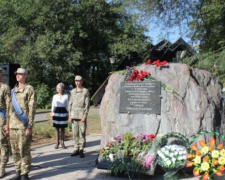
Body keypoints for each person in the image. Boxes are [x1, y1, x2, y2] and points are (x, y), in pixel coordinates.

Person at [8, 68, 37, 180]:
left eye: (20, 74)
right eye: (16, 74)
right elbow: (9, 110)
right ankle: (17, 171)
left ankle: (25, 173)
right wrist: (7, 125)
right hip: (12, 126)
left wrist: (29, 126)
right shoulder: (13, 91)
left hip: (23, 126)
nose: (17, 75)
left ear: (25, 75)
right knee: (15, 151)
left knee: (24, 150)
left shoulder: (29, 89)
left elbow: (32, 109)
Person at [69, 75, 90, 158]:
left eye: (79, 81)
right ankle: (76, 148)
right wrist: (70, 114)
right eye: (76, 81)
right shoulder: (72, 91)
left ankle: (81, 149)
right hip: (74, 116)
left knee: (82, 133)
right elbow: (70, 103)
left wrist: (84, 115)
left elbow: (87, 105)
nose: (77, 82)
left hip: (81, 116)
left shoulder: (85, 91)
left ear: (82, 81)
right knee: (75, 133)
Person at [50, 83, 69, 149]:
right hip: (56, 112)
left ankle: (62, 142)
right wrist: (52, 112)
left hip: (63, 112)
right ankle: (57, 142)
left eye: (60, 88)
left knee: (62, 128)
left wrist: (68, 113)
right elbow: (53, 104)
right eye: (58, 88)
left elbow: (67, 105)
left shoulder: (66, 96)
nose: (59, 89)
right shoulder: (55, 96)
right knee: (56, 128)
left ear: (62, 89)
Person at [0, 68, 10, 179]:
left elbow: (9, 107)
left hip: (1, 119)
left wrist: (8, 123)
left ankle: (2, 167)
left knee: (2, 143)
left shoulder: (4, 88)